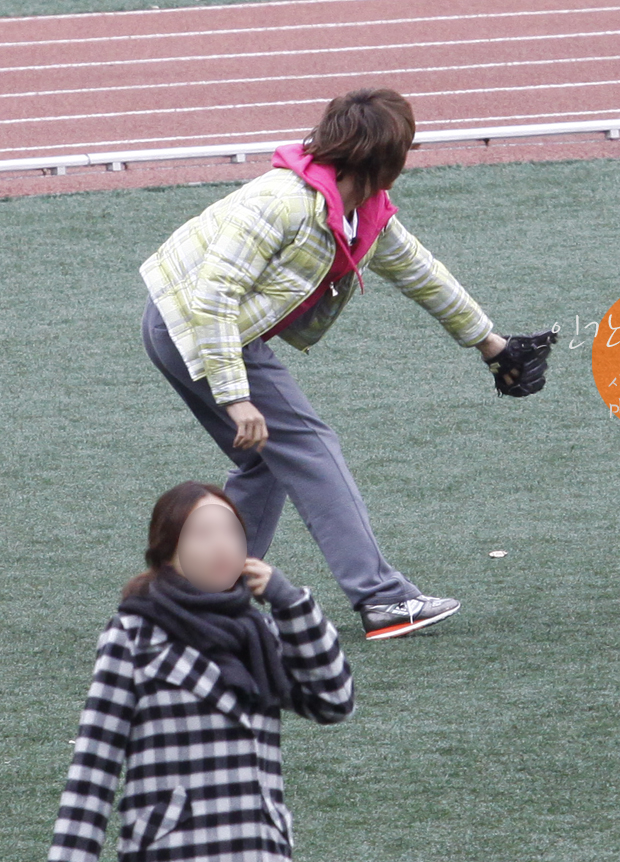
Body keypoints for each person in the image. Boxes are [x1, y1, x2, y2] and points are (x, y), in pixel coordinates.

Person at [139, 86, 512, 641]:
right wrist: (236, 396)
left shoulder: (363, 212)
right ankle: (382, 598)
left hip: (211, 328)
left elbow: (420, 273)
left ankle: (200, 601)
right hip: (193, 324)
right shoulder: (282, 203)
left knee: (266, 462)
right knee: (309, 448)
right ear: (389, 159)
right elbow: (213, 297)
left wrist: (491, 345)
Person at [40, 480, 354, 862]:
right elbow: (95, 761)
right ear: (169, 551)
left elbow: (333, 700)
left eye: (232, 533)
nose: (221, 547)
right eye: (203, 534)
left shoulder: (259, 631)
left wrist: (291, 603)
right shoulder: (132, 636)